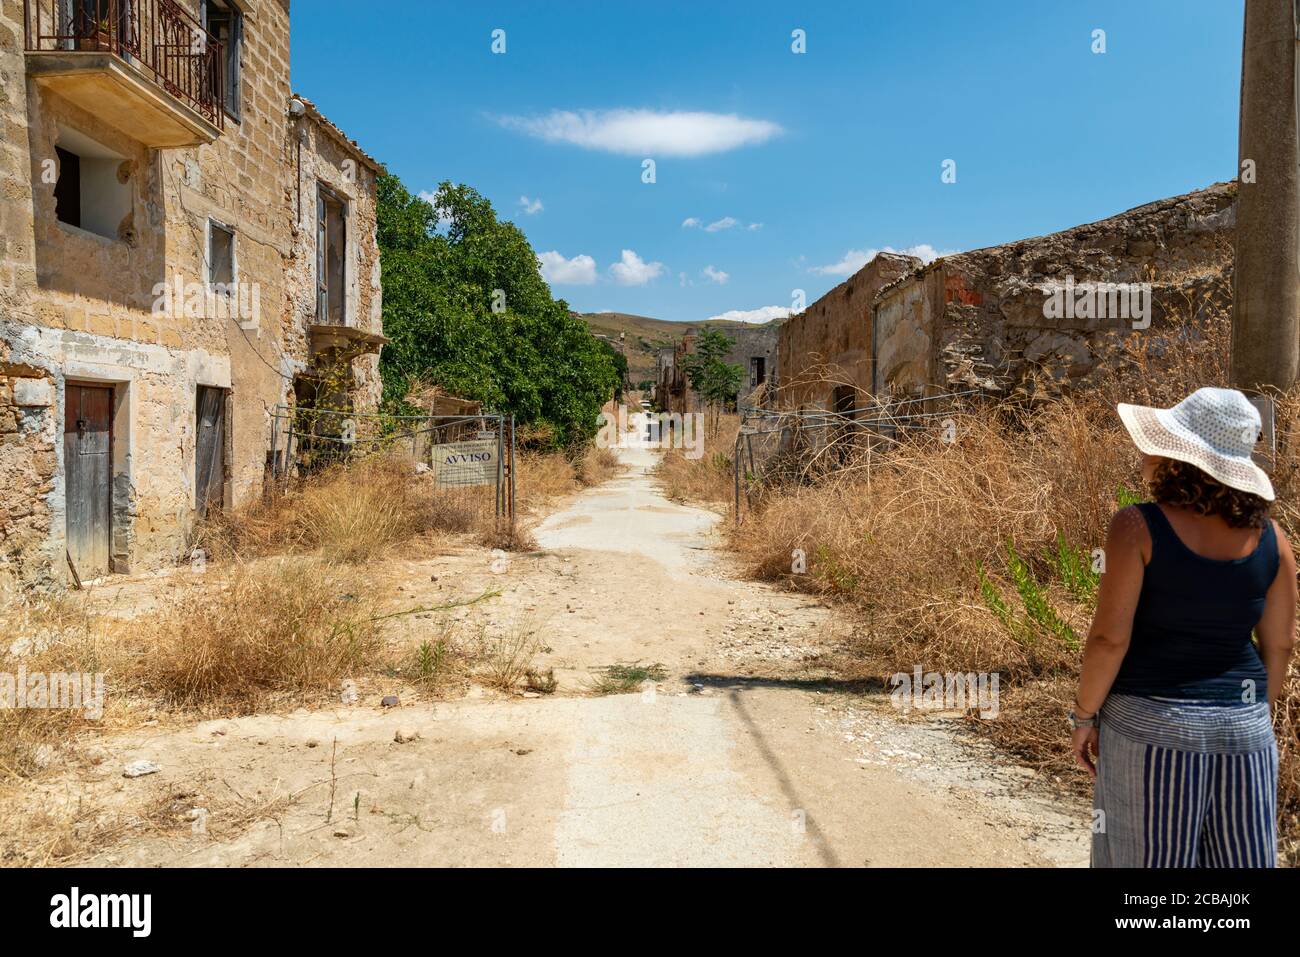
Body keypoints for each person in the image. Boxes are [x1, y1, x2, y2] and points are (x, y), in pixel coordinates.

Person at [1072, 387, 1296, 867]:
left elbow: (1110, 640)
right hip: (1245, 732)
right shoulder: (1274, 539)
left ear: (1178, 457)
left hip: (1151, 725)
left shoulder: (1137, 527)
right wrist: (1250, 714)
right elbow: (1279, 645)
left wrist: (1084, 716)